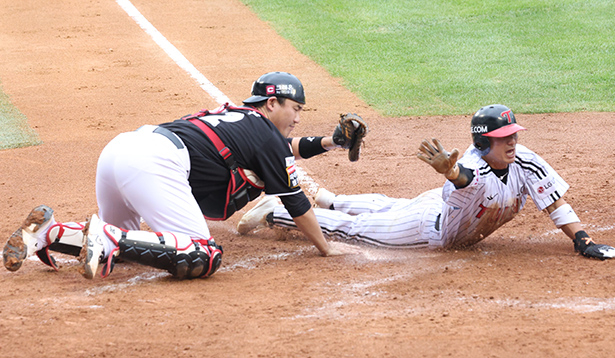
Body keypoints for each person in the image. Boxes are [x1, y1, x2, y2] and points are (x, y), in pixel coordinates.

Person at [3, 71, 365, 280]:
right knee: (202, 253)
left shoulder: (243, 119)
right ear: (273, 104)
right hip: (151, 163)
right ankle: (108, 239)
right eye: (296, 109)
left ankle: (50, 232)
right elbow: (296, 200)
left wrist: (331, 142)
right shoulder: (266, 134)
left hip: (119, 151)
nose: (298, 118)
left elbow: (283, 149)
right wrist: (326, 248)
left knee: (137, 249)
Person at [236, 104, 615, 260]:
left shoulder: (525, 161)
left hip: (431, 206)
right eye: (505, 138)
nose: (513, 142)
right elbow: (465, 178)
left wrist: (582, 240)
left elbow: (554, 202)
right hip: (425, 230)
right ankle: (279, 212)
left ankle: (328, 198)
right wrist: (448, 172)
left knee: (387, 202)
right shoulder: (474, 166)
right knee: (358, 230)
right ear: (484, 141)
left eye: (514, 135)